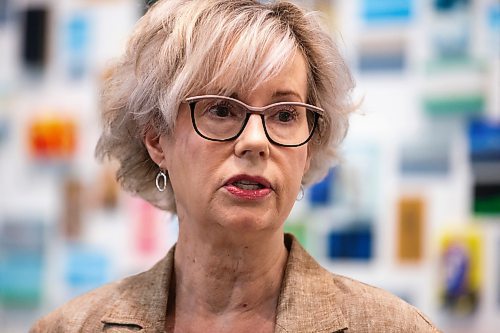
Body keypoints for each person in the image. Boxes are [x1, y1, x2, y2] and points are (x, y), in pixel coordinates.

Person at [31, 0, 442, 332]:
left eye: (284, 114)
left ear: (310, 147)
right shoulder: (69, 327)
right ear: (156, 139)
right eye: (222, 109)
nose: (255, 142)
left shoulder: (392, 327)